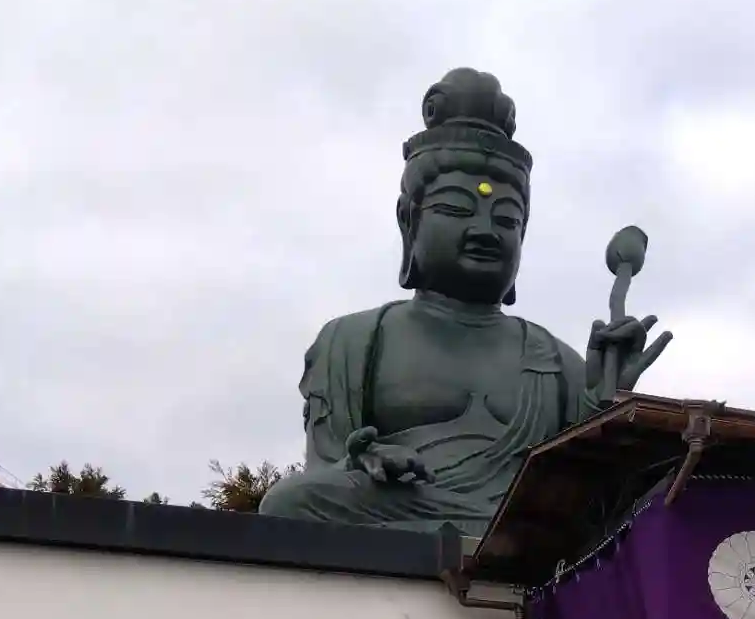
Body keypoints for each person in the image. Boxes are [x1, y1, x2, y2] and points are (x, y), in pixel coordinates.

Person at [260, 68, 670, 531]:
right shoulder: (352, 340)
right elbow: (327, 465)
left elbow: (594, 488)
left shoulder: (554, 358)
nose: (484, 230)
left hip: (524, 527)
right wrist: (367, 458)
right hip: (397, 507)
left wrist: (605, 402)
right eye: (456, 208)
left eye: (507, 219)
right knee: (291, 502)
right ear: (408, 221)